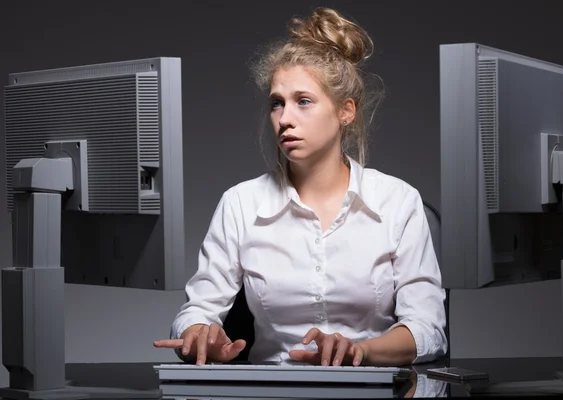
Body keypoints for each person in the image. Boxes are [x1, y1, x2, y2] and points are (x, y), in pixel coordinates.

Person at [154, 7, 447, 368]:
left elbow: (428, 330)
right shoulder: (241, 204)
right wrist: (198, 333)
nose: (285, 119)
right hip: (272, 390)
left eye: (303, 101)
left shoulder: (398, 201)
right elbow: (198, 309)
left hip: (371, 387)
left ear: (346, 111)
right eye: (277, 103)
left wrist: (362, 351)